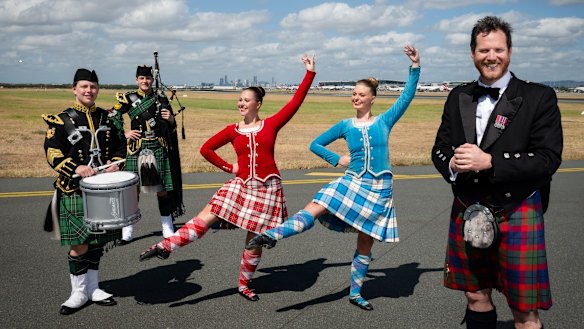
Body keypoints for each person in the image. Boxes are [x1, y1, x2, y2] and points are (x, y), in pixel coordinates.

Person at [246, 45, 420, 311]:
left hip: (378, 188)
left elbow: (406, 96)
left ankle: (356, 293)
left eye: (361, 94)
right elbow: (315, 144)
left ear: (373, 98)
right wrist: (337, 159)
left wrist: (415, 68)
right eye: (353, 94)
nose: (356, 98)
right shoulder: (345, 125)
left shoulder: (385, 121)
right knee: (316, 206)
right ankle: (272, 235)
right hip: (351, 182)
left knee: (365, 242)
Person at [138, 54, 316, 302]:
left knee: (254, 242)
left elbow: (295, 102)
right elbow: (206, 149)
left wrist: (309, 74)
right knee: (205, 218)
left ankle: (244, 285)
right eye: (239, 100)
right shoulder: (232, 130)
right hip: (240, 185)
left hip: (267, 189)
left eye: (246, 100)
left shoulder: (271, 125)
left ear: (257, 104)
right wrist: (228, 166)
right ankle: (166, 246)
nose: (241, 103)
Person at [431, 16, 562, 329]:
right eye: (483, 50)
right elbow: (440, 149)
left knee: (525, 310)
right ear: (473, 54)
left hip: (516, 207)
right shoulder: (458, 95)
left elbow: (547, 159)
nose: (491, 56)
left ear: (510, 51)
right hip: (467, 205)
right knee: (475, 295)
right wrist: (451, 163)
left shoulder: (538, 97)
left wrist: (490, 161)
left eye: (498, 49)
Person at [42, 68, 127, 314]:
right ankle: (78, 292)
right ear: (74, 89)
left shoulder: (107, 117)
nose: (89, 91)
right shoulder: (60, 120)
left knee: (97, 241)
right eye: (84, 87)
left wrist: (116, 161)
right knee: (80, 243)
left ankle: (93, 288)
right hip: (73, 190)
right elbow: (52, 151)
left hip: (101, 189)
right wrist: (76, 167)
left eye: (93, 87)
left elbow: (120, 144)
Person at [111, 65, 185, 243]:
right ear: (136, 80)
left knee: (162, 190)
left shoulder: (160, 97)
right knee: (131, 190)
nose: (145, 81)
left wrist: (171, 119)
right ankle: (127, 230)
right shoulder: (127, 98)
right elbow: (113, 116)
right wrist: (124, 133)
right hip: (136, 147)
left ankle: (167, 226)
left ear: (152, 80)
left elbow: (169, 124)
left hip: (158, 146)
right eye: (141, 78)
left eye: (148, 78)